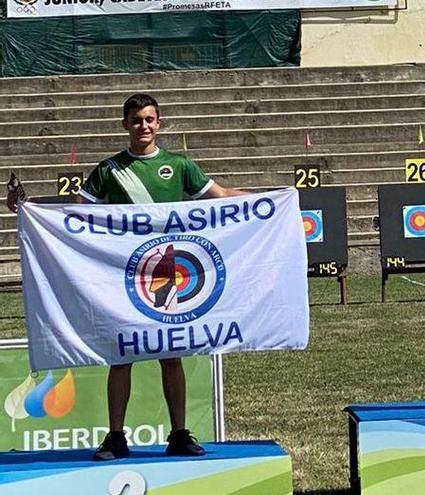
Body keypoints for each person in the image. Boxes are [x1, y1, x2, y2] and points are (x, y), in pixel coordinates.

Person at [7, 94, 248, 460]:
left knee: (171, 355)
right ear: (125, 125)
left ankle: (179, 433)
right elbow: (74, 213)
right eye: (137, 120)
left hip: (168, 271)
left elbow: (223, 196)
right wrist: (30, 207)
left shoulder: (180, 166)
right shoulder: (109, 170)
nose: (144, 126)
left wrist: (278, 197)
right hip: (125, 274)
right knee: (123, 355)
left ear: (160, 123)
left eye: (150, 119)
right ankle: (115, 436)